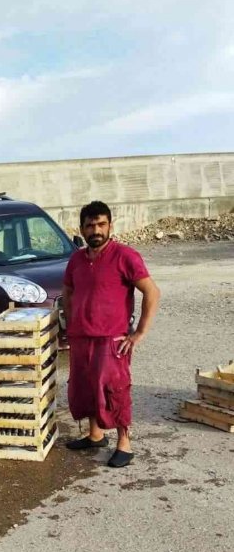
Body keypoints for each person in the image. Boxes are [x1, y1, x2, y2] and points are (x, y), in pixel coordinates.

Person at [62, 200, 160, 468]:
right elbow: (68, 291)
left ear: (110, 226)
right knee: (85, 387)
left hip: (111, 339)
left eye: (101, 224)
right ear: (82, 229)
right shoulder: (76, 259)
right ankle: (95, 435)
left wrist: (139, 332)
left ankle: (124, 443)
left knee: (114, 390)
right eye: (90, 225)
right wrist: (71, 323)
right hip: (81, 336)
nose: (96, 230)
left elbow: (152, 292)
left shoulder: (125, 256)